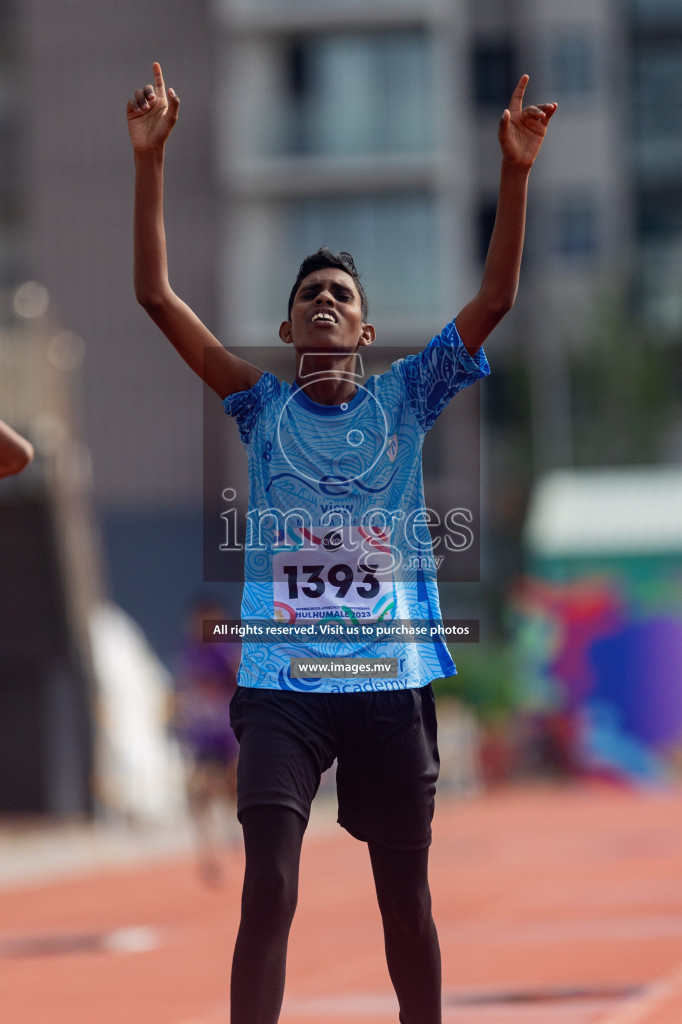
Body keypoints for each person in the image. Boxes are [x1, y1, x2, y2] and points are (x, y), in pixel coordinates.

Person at [127, 62, 556, 1024]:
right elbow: (156, 297)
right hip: (282, 688)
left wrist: (515, 172)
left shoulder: (408, 397)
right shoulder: (258, 406)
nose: (324, 300)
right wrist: (149, 160)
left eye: (341, 294)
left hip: (388, 684)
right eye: (309, 293)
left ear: (363, 329)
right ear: (287, 327)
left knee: (406, 904)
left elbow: (495, 300)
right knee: (268, 887)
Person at [173, 597, 240, 886]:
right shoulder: (188, 654)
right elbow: (184, 690)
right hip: (202, 736)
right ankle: (208, 854)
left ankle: (239, 828)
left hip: (228, 735)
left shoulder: (226, 653)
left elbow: (243, 682)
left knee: (233, 790)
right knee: (199, 794)